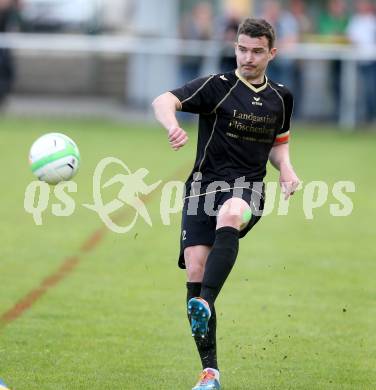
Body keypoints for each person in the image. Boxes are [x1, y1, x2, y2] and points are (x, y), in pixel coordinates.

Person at [152, 18, 300, 390]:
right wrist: (171, 124)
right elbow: (163, 100)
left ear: (272, 53)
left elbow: (278, 143)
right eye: (242, 49)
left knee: (232, 213)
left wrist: (286, 169)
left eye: (256, 51)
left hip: (247, 188)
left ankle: (205, 302)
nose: (248, 57)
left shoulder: (281, 96)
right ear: (235, 47)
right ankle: (210, 373)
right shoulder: (217, 86)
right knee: (195, 269)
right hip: (202, 190)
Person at [346, 0, 376, 123]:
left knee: (371, 90)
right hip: (357, 61)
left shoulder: (373, 21)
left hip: (371, 60)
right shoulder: (355, 20)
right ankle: (363, 117)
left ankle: (371, 116)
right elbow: (350, 37)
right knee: (359, 92)